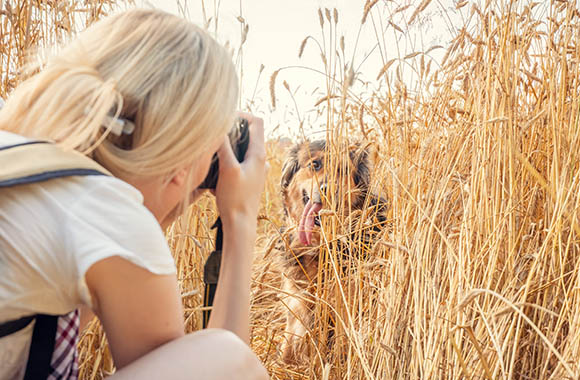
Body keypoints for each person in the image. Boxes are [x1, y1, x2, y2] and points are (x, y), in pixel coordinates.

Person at [0, 9, 268, 380]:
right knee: (228, 358)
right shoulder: (109, 215)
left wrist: (166, 195)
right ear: (181, 167)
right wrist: (240, 218)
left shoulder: (25, 168)